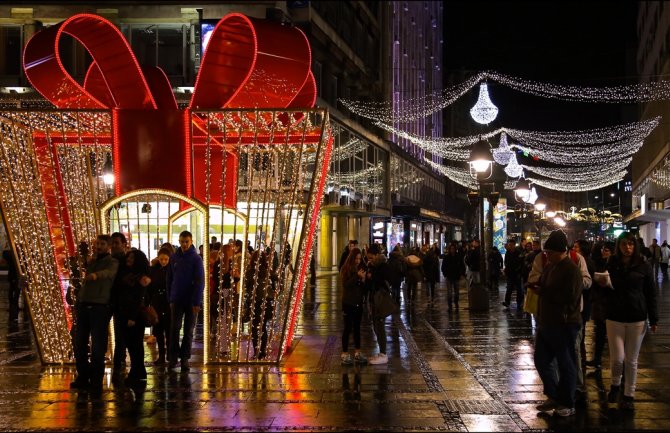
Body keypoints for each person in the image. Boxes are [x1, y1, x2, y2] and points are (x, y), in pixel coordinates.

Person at [603, 232, 658, 410]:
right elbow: (602, 288)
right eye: (624, 245)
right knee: (618, 358)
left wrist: (654, 318)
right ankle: (615, 385)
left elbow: (651, 293)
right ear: (618, 247)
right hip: (615, 317)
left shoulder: (644, 265)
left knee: (631, 360)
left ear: (635, 246)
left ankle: (629, 394)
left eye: (631, 244)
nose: (628, 248)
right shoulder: (611, 264)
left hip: (637, 317)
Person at [533, 229, 583, 418]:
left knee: (566, 363)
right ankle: (553, 394)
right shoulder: (549, 267)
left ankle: (567, 402)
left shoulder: (571, 270)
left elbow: (570, 297)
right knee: (541, 360)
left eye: (550, 253)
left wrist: (544, 292)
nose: (547, 256)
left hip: (565, 323)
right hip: (547, 321)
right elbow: (546, 287)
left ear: (560, 251)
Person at [70, 234, 119, 397]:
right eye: (97, 243)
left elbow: (109, 273)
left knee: (98, 345)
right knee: (80, 343)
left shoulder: (111, 261)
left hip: (99, 306)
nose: (98, 246)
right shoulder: (92, 261)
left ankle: (96, 379)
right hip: (84, 304)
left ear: (108, 246)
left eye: (102, 244)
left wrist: (95, 275)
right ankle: (83, 375)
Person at [167, 230, 205, 371]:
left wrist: (196, 302)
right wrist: (171, 297)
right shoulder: (174, 258)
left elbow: (200, 280)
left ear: (191, 241)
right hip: (177, 298)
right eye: (182, 241)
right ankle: (173, 357)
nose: (184, 244)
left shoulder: (196, 259)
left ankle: (184, 358)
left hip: (190, 300)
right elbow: (169, 278)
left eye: (186, 241)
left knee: (188, 330)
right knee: (174, 329)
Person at [115, 249, 151, 388]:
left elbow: (140, 298)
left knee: (135, 345)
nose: (129, 259)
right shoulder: (126, 274)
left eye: (132, 257)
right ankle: (138, 372)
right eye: (128, 256)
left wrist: (133, 316)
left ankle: (136, 372)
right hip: (125, 312)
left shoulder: (140, 277)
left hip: (134, 315)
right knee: (132, 345)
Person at [586, 241, 614, 370]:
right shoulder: (597, 262)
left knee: (611, 333)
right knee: (600, 332)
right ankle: (597, 359)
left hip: (612, 301)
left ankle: (615, 360)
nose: (604, 252)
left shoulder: (615, 264)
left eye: (607, 250)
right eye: (603, 249)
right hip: (599, 301)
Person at [339, 247, 368, 365]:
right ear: (351, 258)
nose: (358, 261)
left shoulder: (361, 268)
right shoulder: (346, 269)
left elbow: (363, 288)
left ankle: (357, 352)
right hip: (348, 303)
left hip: (358, 302)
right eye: (356, 258)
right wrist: (357, 276)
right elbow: (346, 285)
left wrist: (364, 280)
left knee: (357, 328)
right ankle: (345, 353)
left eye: (359, 259)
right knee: (347, 328)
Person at [365, 243, 392, 365]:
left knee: (380, 326)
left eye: (371, 257)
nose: (369, 260)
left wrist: (372, 276)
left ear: (376, 255)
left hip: (380, 299)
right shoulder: (374, 265)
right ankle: (381, 352)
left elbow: (384, 279)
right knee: (376, 325)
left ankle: (383, 353)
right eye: (368, 258)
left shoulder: (383, 265)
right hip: (374, 298)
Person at [110, 232, 129, 380]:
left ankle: (119, 362)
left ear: (124, 244)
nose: (114, 246)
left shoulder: (127, 261)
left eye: (117, 243)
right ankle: (119, 360)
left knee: (123, 334)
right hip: (110, 301)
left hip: (123, 302)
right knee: (119, 333)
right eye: (113, 243)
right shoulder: (109, 260)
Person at [147, 247, 172, 365]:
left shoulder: (171, 269)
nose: (163, 261)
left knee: (169, 330)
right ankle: (162, 355)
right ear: (158, 258)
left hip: (168, 302)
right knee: (159, 329)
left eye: (166, 259)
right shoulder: (153, 270)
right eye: (161, 259)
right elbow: (150, 287)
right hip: (157, 301)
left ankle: (170, 355)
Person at [442, 243, 465, 311]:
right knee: (449, 293)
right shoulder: (446, 257)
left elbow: (462, 266)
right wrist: (445, 274)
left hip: (456, 276)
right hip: (449, 277)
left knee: (456, 292)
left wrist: (461, 274)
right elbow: (443, 267)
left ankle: (456, 302)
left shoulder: (458, 257)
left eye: (453, 249)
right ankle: (450, 305)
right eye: (451, 249)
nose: (452, 250)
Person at [503, 238, 523, 310]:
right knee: (509, 288)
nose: (510, 246)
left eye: (511, 245)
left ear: (514, 245)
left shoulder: (518, 252)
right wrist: (506, 270)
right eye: (509, 245)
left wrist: (519, 271)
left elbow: (520, 263)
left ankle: (519, 302)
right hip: (510, 273)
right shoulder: (507, 253)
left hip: (517, 273)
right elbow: (506, 262)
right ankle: (507, 302)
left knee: (519, 289)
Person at [2, 244, 20, 312]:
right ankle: (13, 306)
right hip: (14, 275)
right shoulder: (12, 257)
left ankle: (13, 305)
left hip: (14, 275)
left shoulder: (10, 256)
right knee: (15, 290)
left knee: (14, 290)